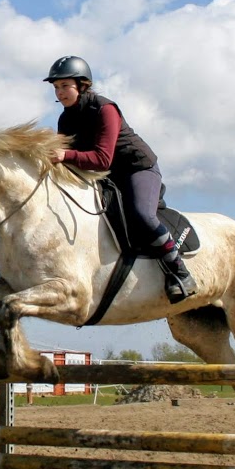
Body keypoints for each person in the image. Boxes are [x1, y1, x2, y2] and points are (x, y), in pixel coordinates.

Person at [44, 55, 197, 303]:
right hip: (108, 176)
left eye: (65, 86)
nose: (60, 93)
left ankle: (180, 272)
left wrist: (63, 154)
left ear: (82, 85)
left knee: (141, 215)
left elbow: (102, 159)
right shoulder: (66, 118)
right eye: (56, 88)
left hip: (138, 168)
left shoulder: (105, 109)